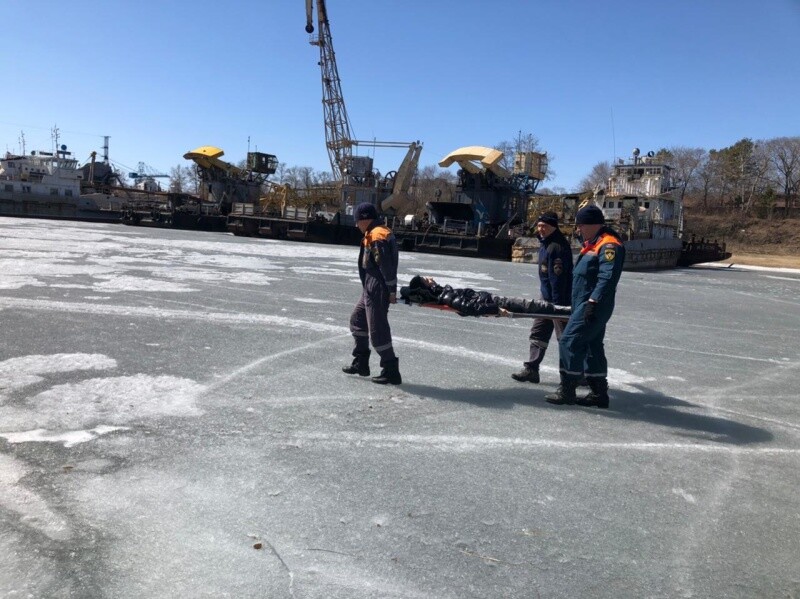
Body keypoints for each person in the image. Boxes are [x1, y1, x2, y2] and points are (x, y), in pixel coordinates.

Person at [546, 204, 625, 408]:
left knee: (569, 341)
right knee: (592, 345)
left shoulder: (608, 246)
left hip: (593, 305)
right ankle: (599, 393)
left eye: (581, 225)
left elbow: (607, 278)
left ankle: (567, 390)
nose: (578, 229)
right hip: (585, 303)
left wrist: (593, 301)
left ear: (593, 224)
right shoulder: (593, 243)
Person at [342, 202, 402, 385]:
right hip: (369, 287)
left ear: (365, 219)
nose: (356, 225)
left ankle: (391, 370)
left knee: (378, 330)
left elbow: (386, 267)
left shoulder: (378, 235)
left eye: (357, 221)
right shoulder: (373, 233)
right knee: (357, 320)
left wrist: (391, 290)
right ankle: (361, 362)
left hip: (378, 288)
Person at [511, 212, 573, 384]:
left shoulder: (556, 247)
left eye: (544, 226)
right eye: (539, 225)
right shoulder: (546, 243)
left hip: (559, 300)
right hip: (546, 297)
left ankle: (576, 374)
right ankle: (532, 369)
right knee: (538, 332)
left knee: (565, 338)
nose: (540, 229)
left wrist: (558, 306)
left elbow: (558, 279)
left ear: (553, 226)